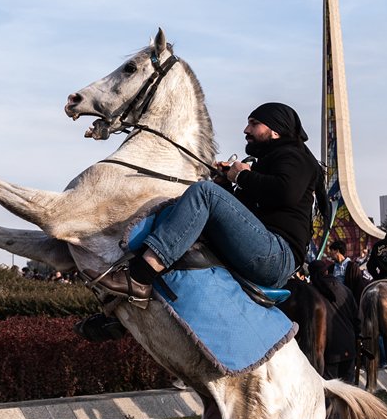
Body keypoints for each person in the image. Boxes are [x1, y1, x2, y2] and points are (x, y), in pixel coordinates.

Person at [96, 102, 322, 305]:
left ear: (275, 131)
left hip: (276, 256)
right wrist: (226, 183)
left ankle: (139, 276)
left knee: (204, 192)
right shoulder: (268, 162)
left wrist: (241, 177)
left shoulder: (295, 156)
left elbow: (286, 193)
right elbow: (242, 215)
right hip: (263, 248)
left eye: (254, 124)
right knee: (190, 216)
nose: (246, 130)